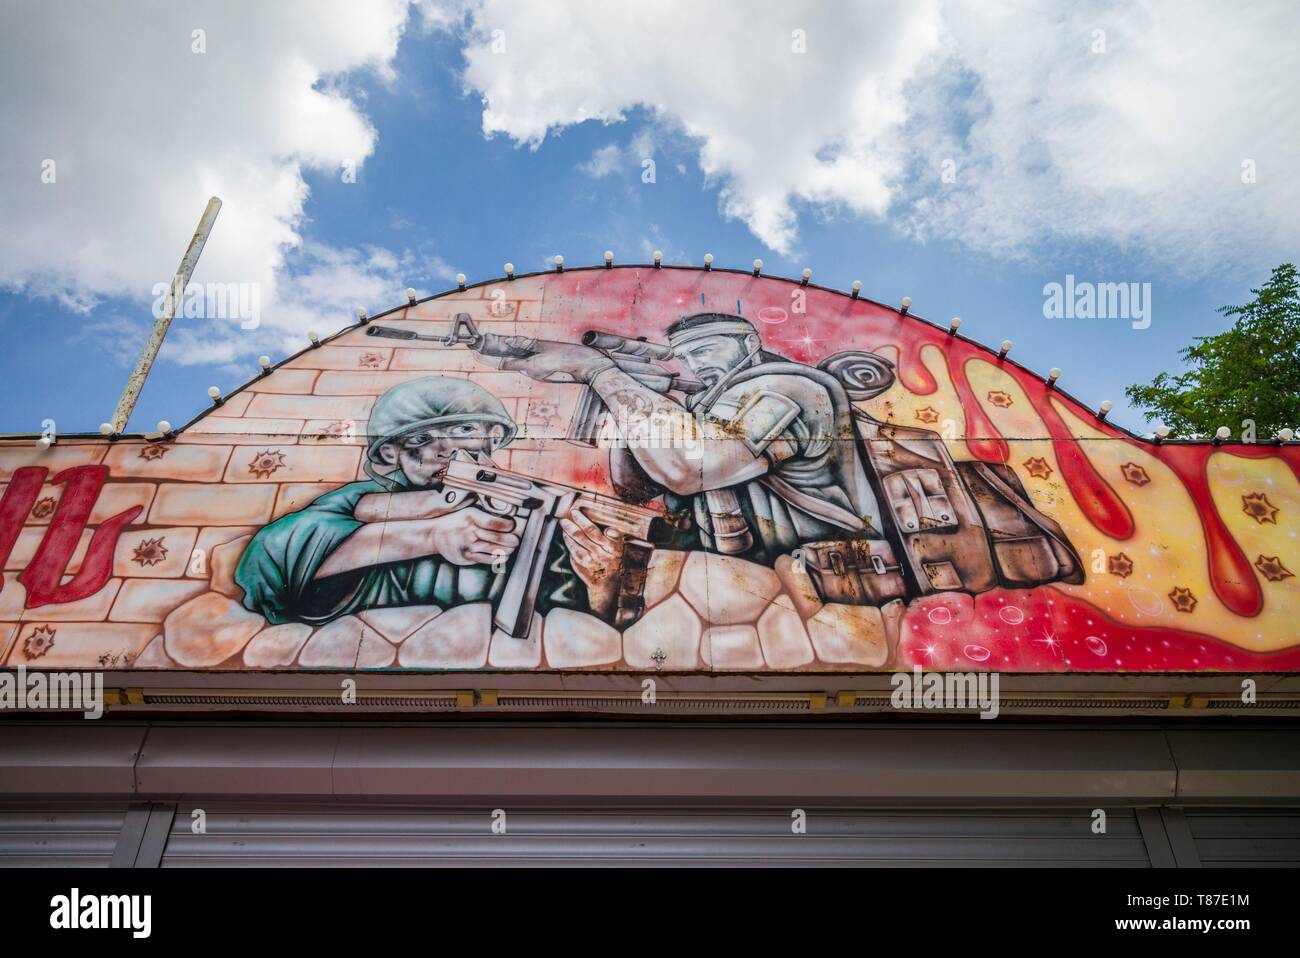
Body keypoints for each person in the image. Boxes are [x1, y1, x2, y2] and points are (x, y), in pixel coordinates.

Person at [488, 312, 887, 564]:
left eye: (706, 349)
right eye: (687, 355)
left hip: (827, 572)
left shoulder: (789, 387)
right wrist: (634, 398)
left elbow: (692, 468)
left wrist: (602, 373)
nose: (696, 363)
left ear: (750, 344)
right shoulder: (708, 405)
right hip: (751, 574)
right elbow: (637, 486)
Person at [234, 376, 622, 626]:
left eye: (465, 430)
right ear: (391, 455)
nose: (446, 448)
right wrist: (430, 534)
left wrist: (600, 585)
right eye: (421, 438)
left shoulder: (531, 511)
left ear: (492, 438)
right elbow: (267, 566)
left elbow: (582, 627)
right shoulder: (362, 503)